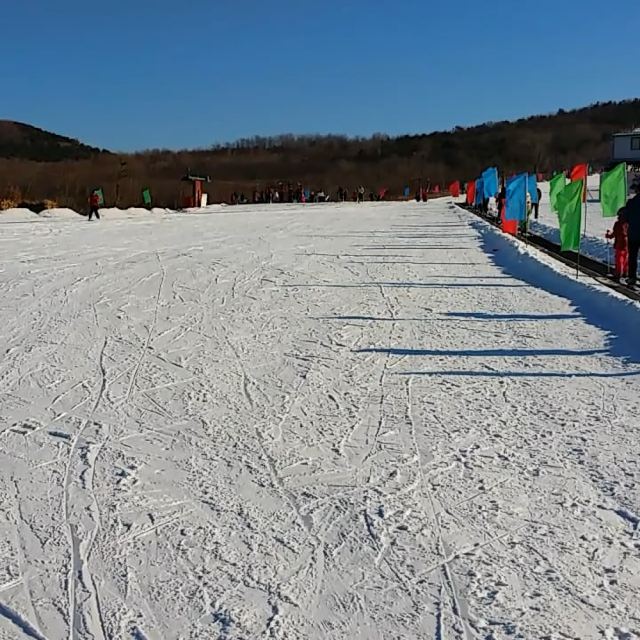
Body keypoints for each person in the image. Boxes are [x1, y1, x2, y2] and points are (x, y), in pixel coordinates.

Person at [621, 184, 640, 287]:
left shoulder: (631, 203)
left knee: (633, 257)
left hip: (633, 234)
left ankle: (632, 278)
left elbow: (624, 217)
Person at [606, 211, 629, 282]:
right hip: (628, 243)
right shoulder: (629, 223)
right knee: (626, 259)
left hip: (620, 243)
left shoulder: (618, 224)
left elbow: (615, 233)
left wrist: (608, 235)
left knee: (619, 259)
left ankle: (619, 273)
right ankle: (626, 272)